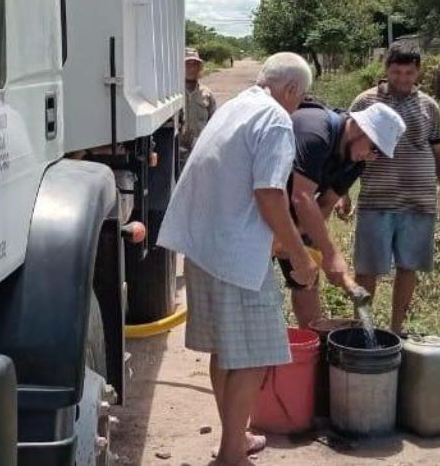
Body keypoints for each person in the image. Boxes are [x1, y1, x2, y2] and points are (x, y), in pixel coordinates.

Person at [158, 53, 318, 466]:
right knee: (255, 354)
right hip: (235, 256)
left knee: (226, 351)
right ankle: (232, 453)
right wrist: (300, 257)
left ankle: (236, 437)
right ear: (291, 91)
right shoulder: (275, 119)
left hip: (203, 247)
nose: (296, 107)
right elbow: (269, 194)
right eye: (299, 99)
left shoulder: (234, 107)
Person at [347, 45, 440, 335]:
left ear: (418, 71)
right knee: (367, 269)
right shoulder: (365, 102)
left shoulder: (428, 106)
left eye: (409, 72)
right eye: (396, 71)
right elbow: (346, 148)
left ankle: (396, 330)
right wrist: (343, 193)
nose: (403, 78)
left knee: (408, 267)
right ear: (386, 69)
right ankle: (362, 331)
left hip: (418, 201)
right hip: (376, 200)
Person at [277, 97, 406, 327]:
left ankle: (312, 344)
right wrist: (330, 253)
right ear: (358, 127)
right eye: (373, 147)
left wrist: (304, 242)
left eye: (379, 153)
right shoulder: (316, 131)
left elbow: (325, 204)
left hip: (289, 209)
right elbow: (302, 196)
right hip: (255, 203)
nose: (372, 156)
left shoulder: (356, 161)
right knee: (249, 284)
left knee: (308, 278)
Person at [178, 47, 216, 170]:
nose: (191, 68)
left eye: (195, 64)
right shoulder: (174, 94)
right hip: (177, 150)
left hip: (199, 149)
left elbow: (214, 122)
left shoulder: (207, 94)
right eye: (187, 64)